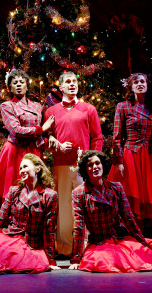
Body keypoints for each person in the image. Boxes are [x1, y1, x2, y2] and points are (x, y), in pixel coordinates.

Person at [69, 150, 152, 273]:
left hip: (120, 238)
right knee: (105, 261)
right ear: (85, 169)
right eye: (90, 165)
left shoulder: (116, 188)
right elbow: (79, 227)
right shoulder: (79, 193)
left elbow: (128, 218)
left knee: (143, 255)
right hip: (98, 242)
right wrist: (76, 259)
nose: (95, 167)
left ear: (103, 165)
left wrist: (143, 244)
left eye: (97, 163)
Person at [44, 71, 103, 257]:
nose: (72, 84)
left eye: (74, 81)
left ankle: (84, 246)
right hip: (60, 165)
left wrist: (93, 161)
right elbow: (45, 139)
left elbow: (97, 137)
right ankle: (64, 247)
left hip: (82, 166)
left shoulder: (88, 109)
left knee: (84, 205)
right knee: (63, 205)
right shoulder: (51, 112)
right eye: (67, 82)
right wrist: (56, 145)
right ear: (60, 87)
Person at [0, 69, 54, 213]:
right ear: (9, 87)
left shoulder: (37, 106)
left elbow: (48, 126)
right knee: (14, 187)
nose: (18, 85)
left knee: (34, 187)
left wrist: (50, 140)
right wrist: (40, 129)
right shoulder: (7, 106)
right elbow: (16, 130)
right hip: (15, 150)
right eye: (14, 82)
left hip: (34, 151)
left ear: (26, 85)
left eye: (21, 82)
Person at [109, 73, 152, 225]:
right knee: (130, 196)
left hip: (148, 155)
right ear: (131, 87)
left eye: (143, 81)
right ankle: (129, 236)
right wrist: (118, 161)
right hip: (130, 155)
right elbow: (117, 136)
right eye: (136, 82)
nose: (140, 84)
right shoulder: (123, 106)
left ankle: (141, 237)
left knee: (146, 196)